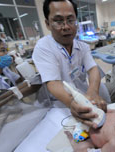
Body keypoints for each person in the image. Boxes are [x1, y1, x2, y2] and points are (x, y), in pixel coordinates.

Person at [32, 0, 110, 129]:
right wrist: (72, 103)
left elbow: (93, 69)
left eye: (70, 20)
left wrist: (92, 93)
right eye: (58, 21)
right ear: (47, 23)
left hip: (82, 95)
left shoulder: (82, 46)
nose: (66, 26)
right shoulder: (44, 47)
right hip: (60, 102)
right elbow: (53, 83)